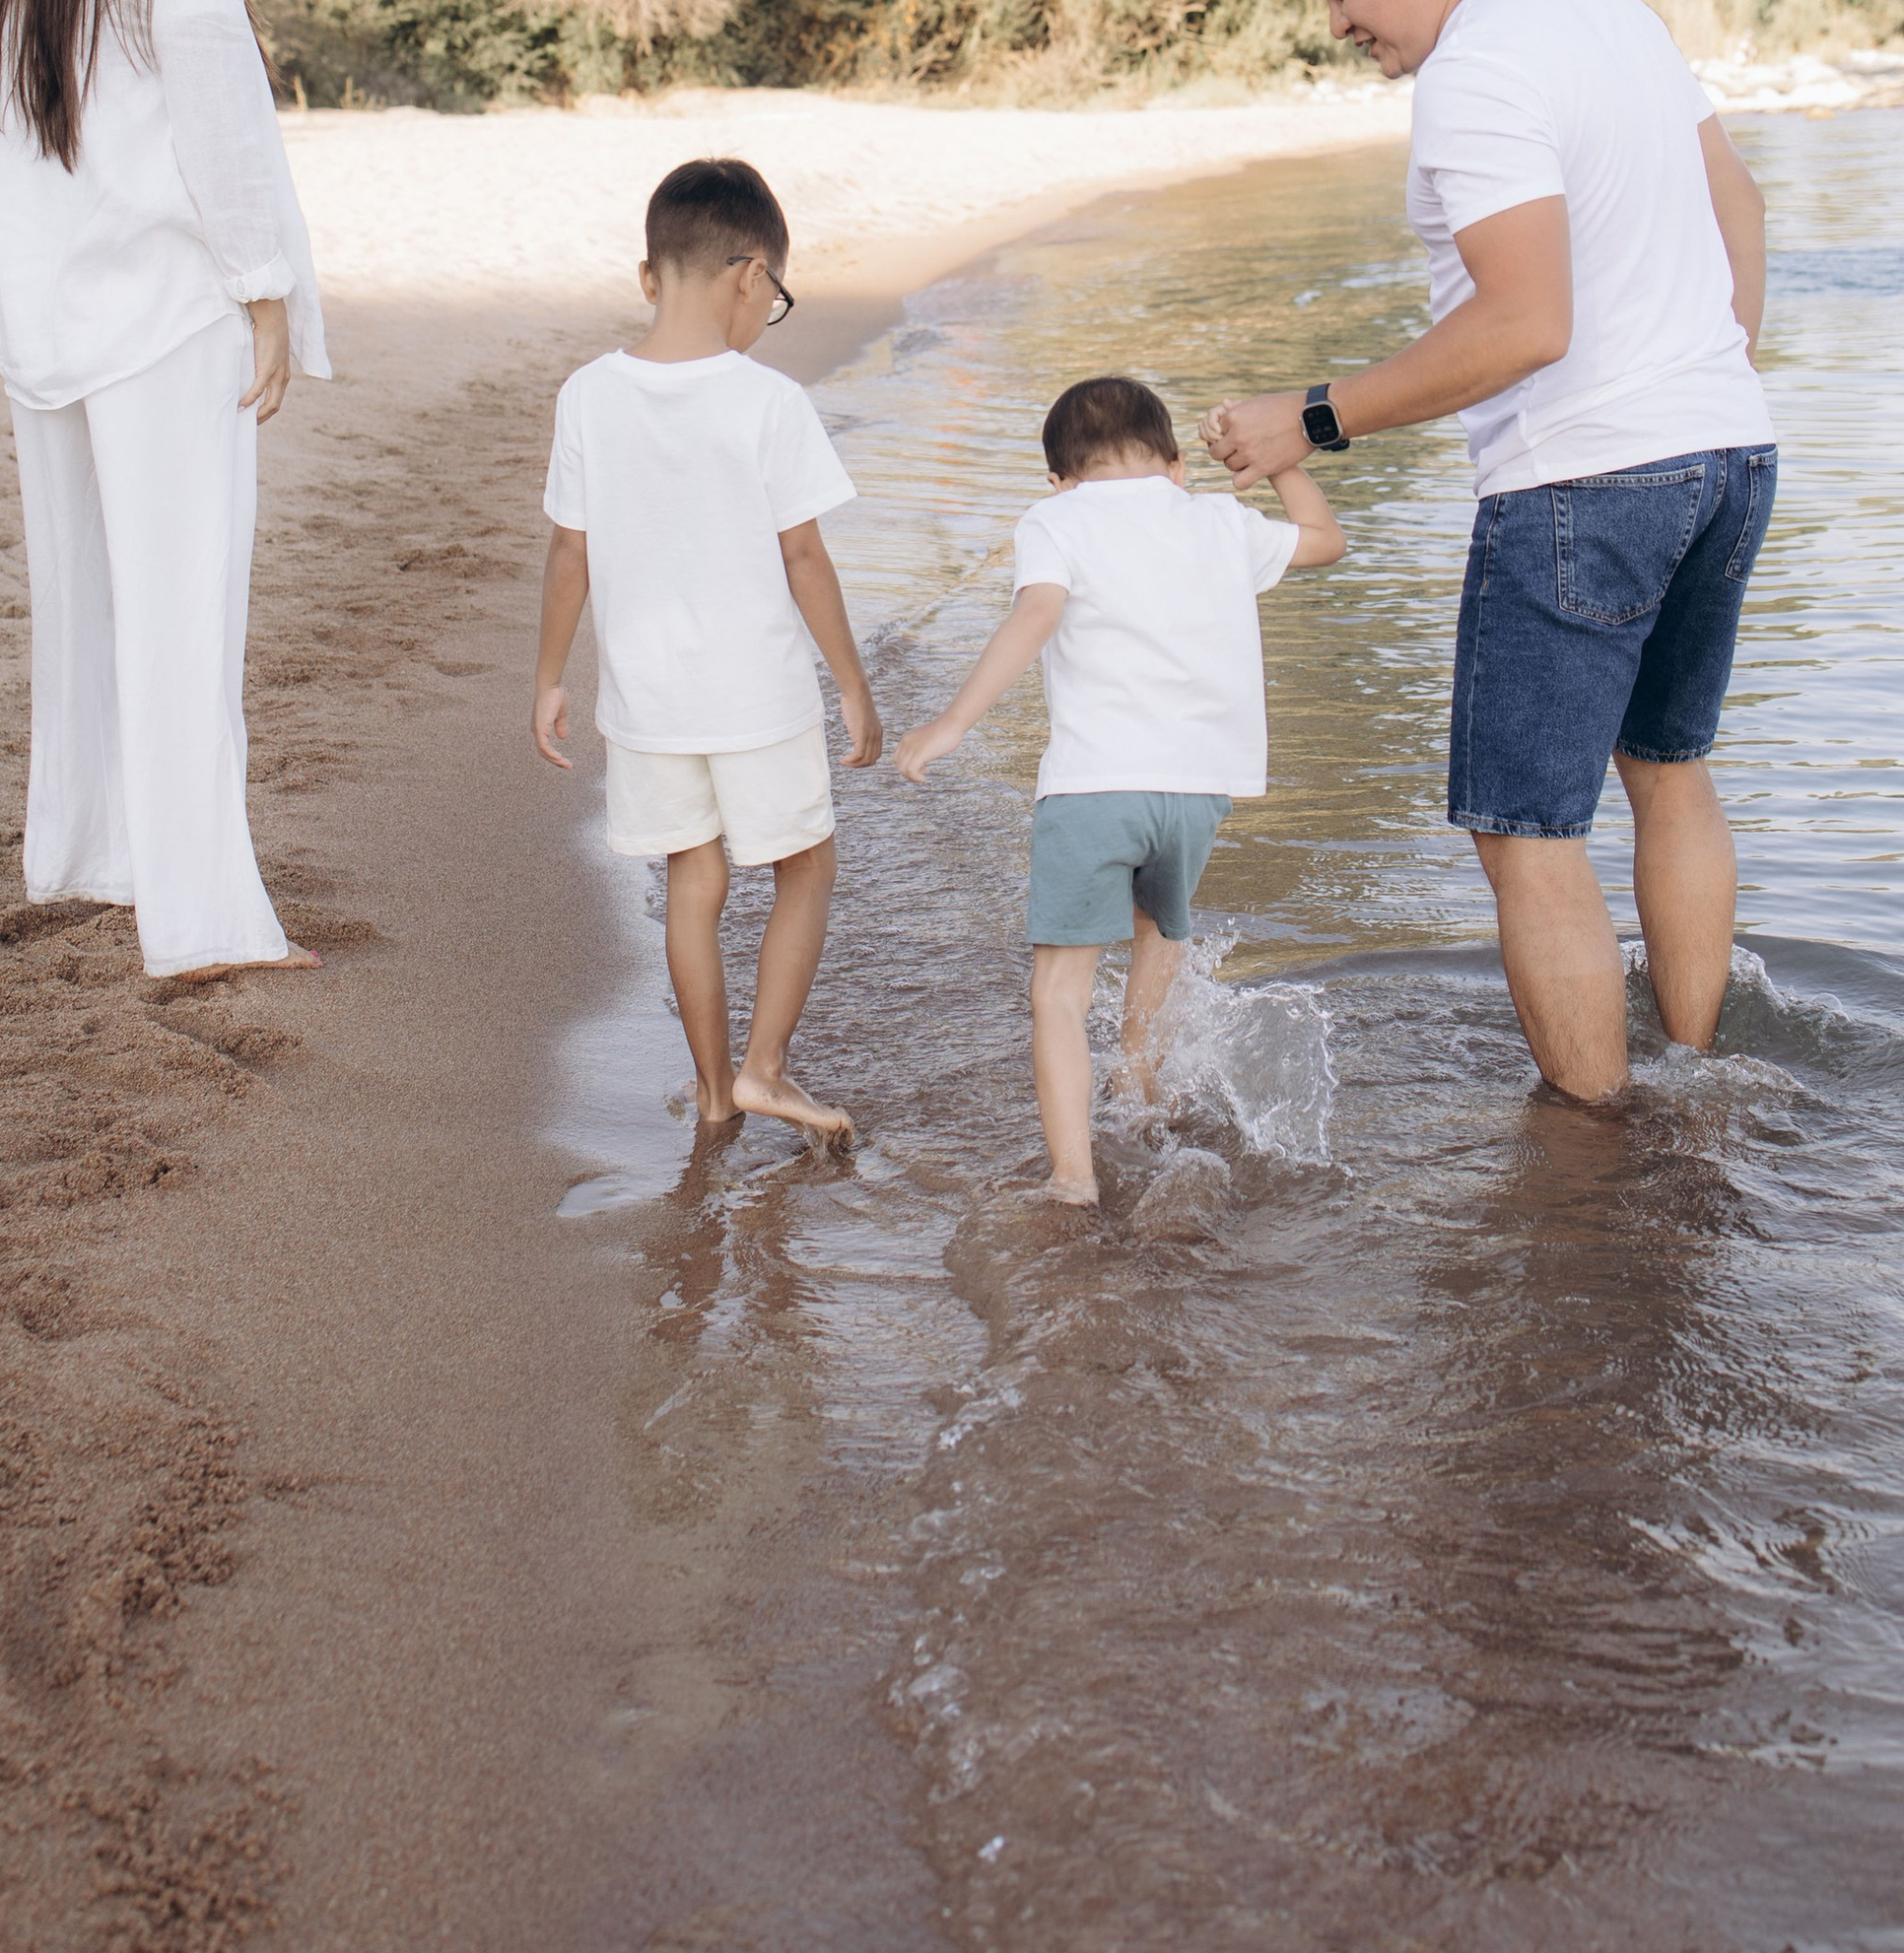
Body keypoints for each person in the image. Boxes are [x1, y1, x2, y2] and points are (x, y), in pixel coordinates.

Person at [1206, 0, 1775, 1110]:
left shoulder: (1473, 73)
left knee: (1526, 832)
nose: (1337, 22)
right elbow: (1735, 197)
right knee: (1668, 771)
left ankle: (1598, 1156)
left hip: (1584, 478)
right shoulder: (1610, 12)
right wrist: (1713, 358)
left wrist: (1311, 418)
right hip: (1727, 448)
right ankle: (1692, 1083)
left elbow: (1526, 326)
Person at [0, 0, 329, 985]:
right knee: (183, 612)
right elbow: (223, 145)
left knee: (87, 606)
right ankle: (202, 919)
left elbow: (18, 163)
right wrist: (268, 297)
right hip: (169, 319)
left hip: (56, 325)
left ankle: (88, 853)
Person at [896, 375, 1343, 1203]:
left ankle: (1073, 1179)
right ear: (1175, 465)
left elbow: (1035, 614)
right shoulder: (1216, 519)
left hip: (1095, 785)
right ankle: (1139, 1093)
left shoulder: (1054, 519)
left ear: (1059, 479)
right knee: (1157, 934)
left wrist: (952, 723)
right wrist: (1271, 460)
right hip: (1201, 791)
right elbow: (1325, 540)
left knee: (1059, 993)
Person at [535, 157, 881, 1148]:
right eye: (772, 294)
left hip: (646, 698)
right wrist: (853, 688)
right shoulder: (768, 403)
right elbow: (804, 555)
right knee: (803, 866)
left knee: (695, 877)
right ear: (750, 275)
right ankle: (764, 1067)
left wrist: (550, 677)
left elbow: (571, 550)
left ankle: (712, 1088)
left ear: (650, 276)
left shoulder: (589, 395)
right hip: (757, 695)